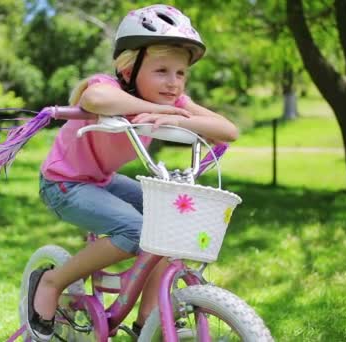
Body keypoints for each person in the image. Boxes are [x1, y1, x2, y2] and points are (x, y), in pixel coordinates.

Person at [26, 4, 239, 341]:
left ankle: (147, 322)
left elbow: (227, 129)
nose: (173, 83)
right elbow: (94, 99)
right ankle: (52, 281)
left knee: (171, 223)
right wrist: (159, 110)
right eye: (162, 71)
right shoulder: (108, 86)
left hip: (102, 181)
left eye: (180, 73)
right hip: (63, 183)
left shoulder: (174, 102)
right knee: (137, 231)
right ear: (129, 69)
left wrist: (174, 116)